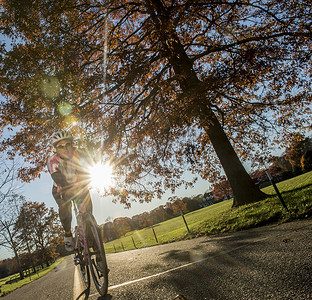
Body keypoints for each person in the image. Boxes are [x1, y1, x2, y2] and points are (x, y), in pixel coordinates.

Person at [47, 129, 93, 251]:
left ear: (72, 144)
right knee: (65, 209)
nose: (65, 148)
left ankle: (95, 248)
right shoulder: (53, 160)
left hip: (78, 185)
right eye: (60, 146)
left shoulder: (79, 154)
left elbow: (88, 169)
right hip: (60, 188)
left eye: (67, 144)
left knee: (87, 213)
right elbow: (57, 177)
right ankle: (67, 233)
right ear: (56, 149)